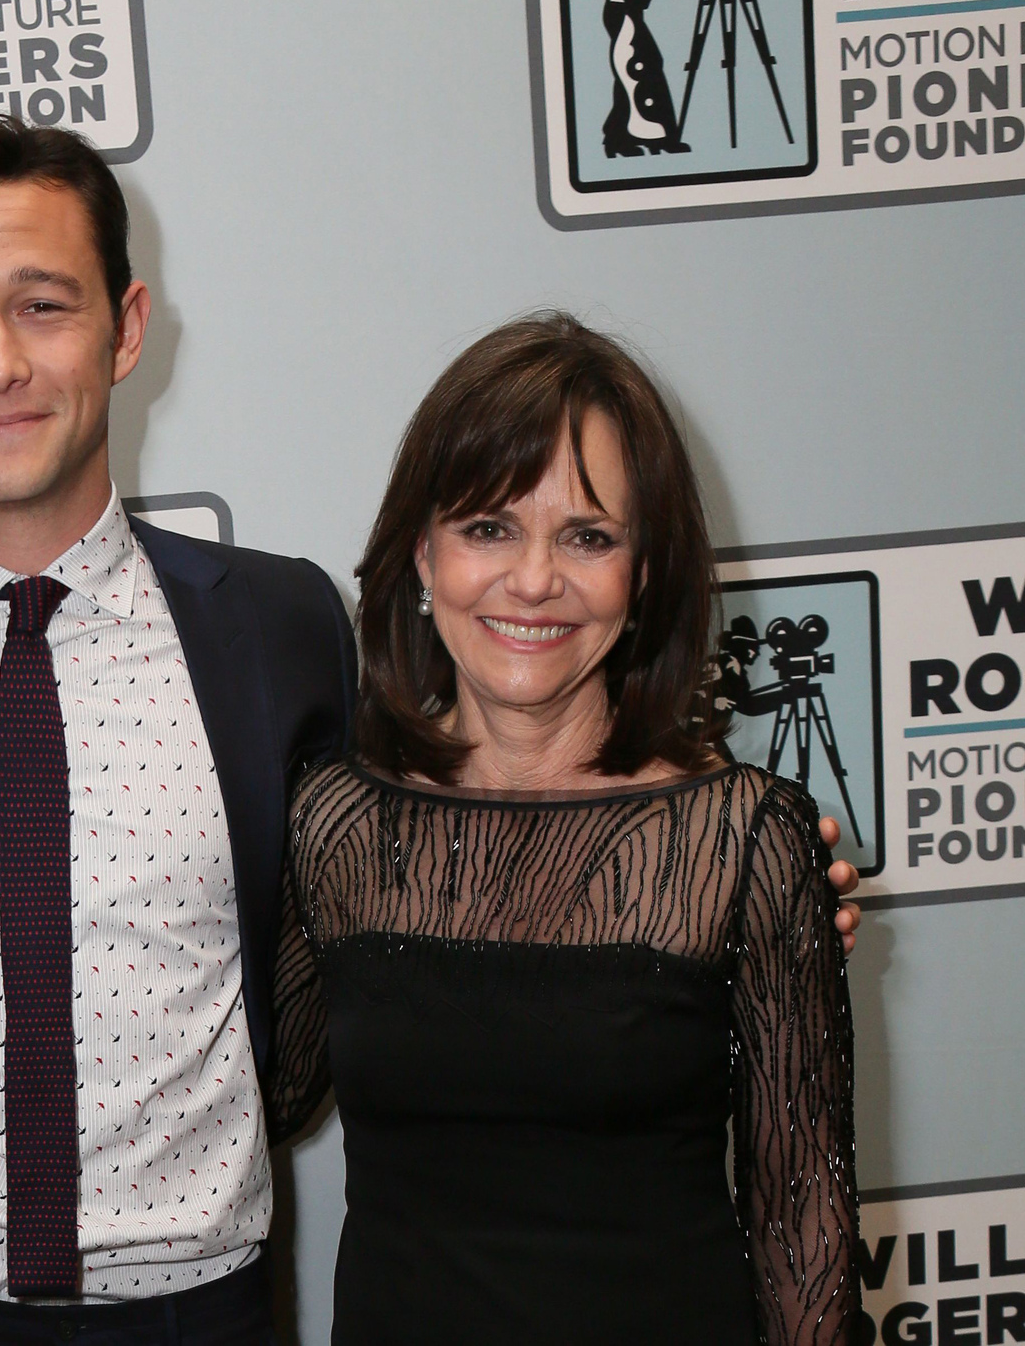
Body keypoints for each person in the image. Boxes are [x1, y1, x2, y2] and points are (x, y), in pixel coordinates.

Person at [0, 120, 861, 1346]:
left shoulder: (275, 629)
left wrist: (744, 893)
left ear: (125, 327)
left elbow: (483, 829)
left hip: (203, 1315)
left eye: (43, 303)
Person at [272, 313, 861, 1345]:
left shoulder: (741, 840)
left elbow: (799, 1224)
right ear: (421, 551)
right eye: (487, 527)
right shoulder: (337, 821)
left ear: (642, 575)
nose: (532, 579)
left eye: (586, 535)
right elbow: (259, 1101)